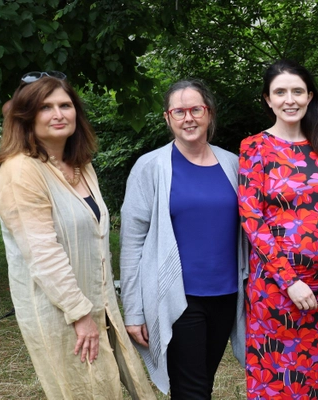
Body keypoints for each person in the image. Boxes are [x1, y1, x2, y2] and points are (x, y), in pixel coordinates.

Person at [0, 71, 154, 399]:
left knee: (117, 384)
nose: (58, 114)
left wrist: (99, 308)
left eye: (65, 105)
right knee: (86, 390)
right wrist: (80, 315)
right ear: (26, 117)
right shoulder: (20, 171)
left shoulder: (81, 165)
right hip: (61, 312)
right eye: (45, 107)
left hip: (98, 301)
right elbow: (42, 253)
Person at [120, 79, 248, 397]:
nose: (188, 118)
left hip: (226, 295)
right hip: (177, 297)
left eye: (195, 109)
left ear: (209, 113)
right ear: (168, 118)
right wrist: (133, 311)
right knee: (192, 389)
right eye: (179, 111)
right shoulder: (150, 167)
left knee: (201, 382)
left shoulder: (234, 164)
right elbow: (132, 242)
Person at [239, 59, 318, 399]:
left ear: (309, 97)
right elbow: (252, 219)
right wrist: (289, 281)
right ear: (268, 99)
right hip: (276, 292)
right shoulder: (255, 148)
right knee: (276, 383)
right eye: (280, 92)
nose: (289, 100)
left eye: (297, 91)